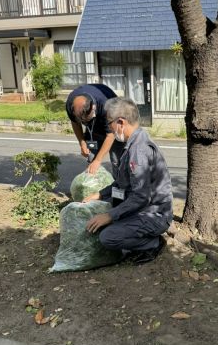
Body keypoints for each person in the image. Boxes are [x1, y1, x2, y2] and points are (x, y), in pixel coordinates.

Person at [83, 97, 173, 264]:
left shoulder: (138, 150)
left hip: (154, 214)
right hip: (144, 208)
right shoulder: (132, 142)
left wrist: (110, 216)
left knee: (107, 237)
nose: (109, 129)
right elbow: (122, 182)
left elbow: (141, 197)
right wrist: (100, 195)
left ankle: (153, 243)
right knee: (102, 220)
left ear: (121, 122)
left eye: (109, 124)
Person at [65, 83, 125, 176]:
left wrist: (98, 160)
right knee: (91, 158)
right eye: (82, 121)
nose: (84, 122)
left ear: (93, 108)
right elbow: (75, 123)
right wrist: (82, 142)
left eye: (86, 119)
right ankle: (94, 187)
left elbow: (111, 135)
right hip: (93, 129)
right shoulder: (71, 104)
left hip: (114, 125)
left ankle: (120, 187)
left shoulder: (107, 105)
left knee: (117, 160)